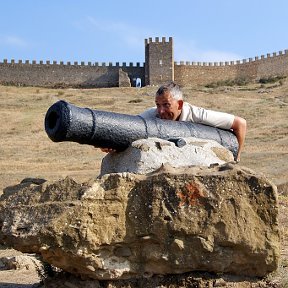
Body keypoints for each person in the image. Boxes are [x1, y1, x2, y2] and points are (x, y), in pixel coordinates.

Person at [102, 81, 247, 162]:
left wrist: (236, 157)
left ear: (180, 104)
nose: (161, 111)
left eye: (166, 105)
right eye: (158, 105)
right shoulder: (152, 115)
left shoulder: (197, 115)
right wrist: (111, 141)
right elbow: (129, 128)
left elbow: (240, 124)